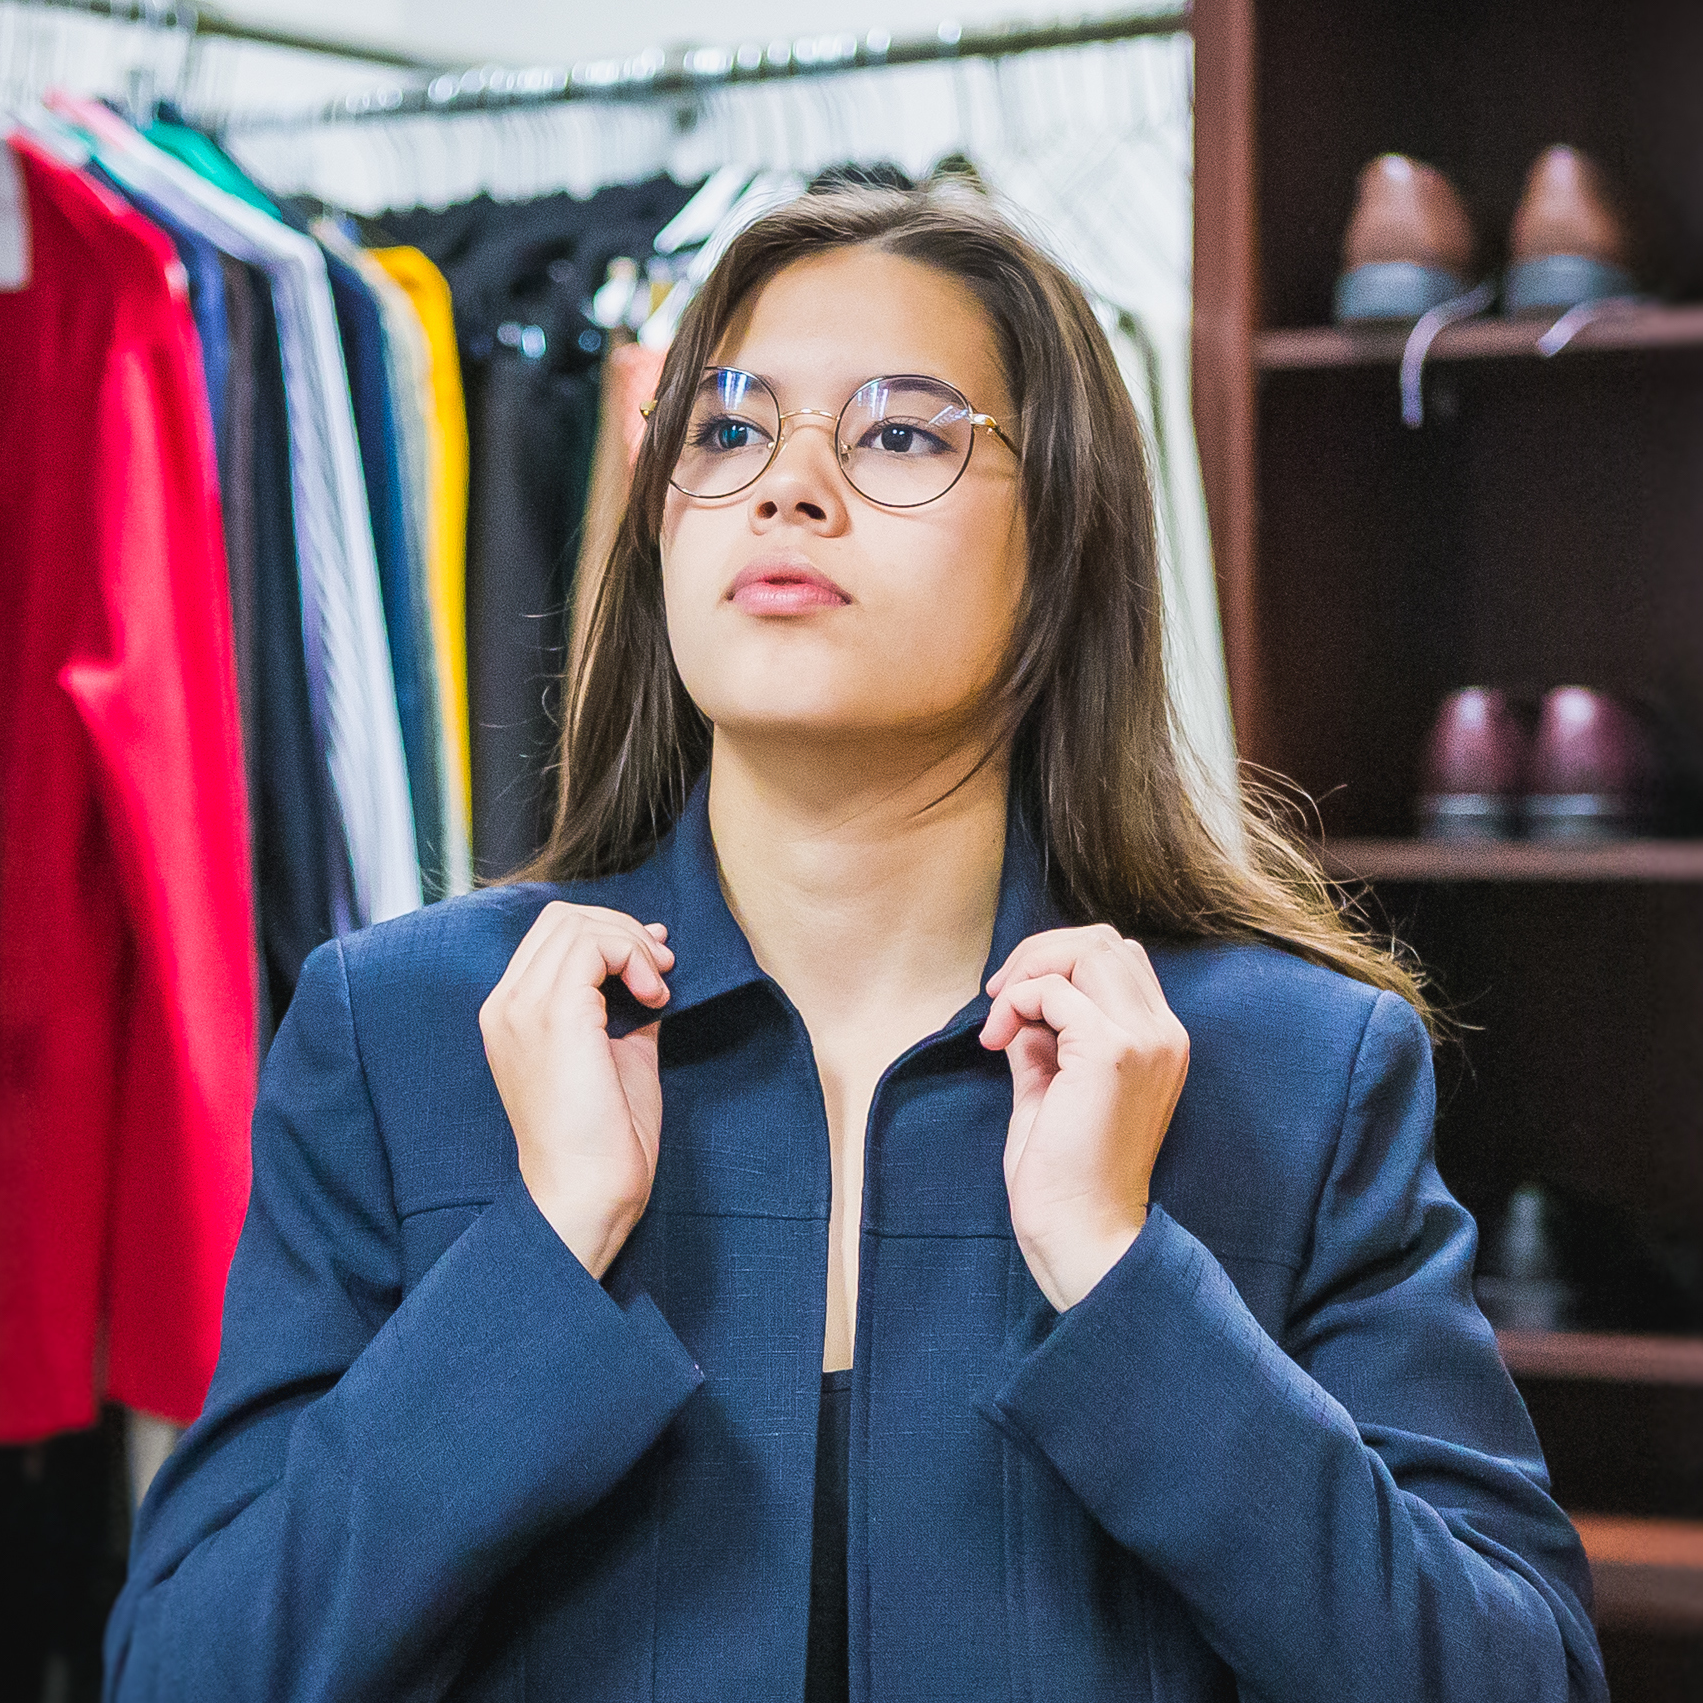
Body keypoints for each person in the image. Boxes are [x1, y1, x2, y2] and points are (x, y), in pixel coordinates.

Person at [104, 186, 1608, 1703]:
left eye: (897, 433)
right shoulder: (411, 1031)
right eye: (725, 431)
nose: (787, 486)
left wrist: (1121, 1275)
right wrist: (540, 1254)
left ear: (1062, 536)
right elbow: (186, 1670)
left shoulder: (1291, 1067)